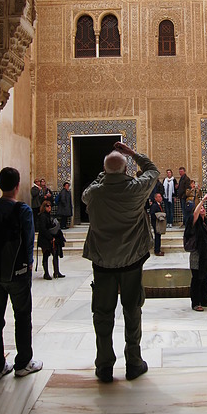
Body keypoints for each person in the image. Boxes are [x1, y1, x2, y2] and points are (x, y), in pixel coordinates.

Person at [82, 141, 159, 383]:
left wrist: (104, 174)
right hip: (131, 261)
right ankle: (134, 362)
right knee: (132, 309)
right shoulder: (136, 189)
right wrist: (132, 153)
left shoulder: (94, 193)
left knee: (102, 314)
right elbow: (153, 171)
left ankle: (104, 366)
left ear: (105, 172)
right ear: (126, 170)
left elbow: (90, 189)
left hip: (103, 263)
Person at [0, 167, 43, 380]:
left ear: (0, 184)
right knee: (22, 316)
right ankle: (23, 363)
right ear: (17, 186)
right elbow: (28, 241)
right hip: (19, 273)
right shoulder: (23, 210)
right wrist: (26, 265)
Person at [184, 194, 207, 311]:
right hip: (197, 257)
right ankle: (195, 302)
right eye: (201, 208)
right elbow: (195, 214)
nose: (203, 209)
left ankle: (205, 300)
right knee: (197, 279)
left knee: (205, 278)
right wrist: (203, 200)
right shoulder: (194, 222)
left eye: (203, 208)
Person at [37, 201, 66, 279]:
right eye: (47, 206)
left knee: (55, 254)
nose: (49, 207)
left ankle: (56, 272)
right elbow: (43, 228)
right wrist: (50, 237)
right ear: (44, 207)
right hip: (45, 239)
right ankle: (46, 273)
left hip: (51, 238)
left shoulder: (50, 216)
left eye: (50, 206)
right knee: (46, 255)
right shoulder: (42, 216)